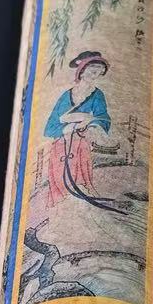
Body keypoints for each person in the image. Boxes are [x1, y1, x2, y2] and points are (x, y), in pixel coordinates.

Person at [43, 50, 111, 205]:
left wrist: (90, 123)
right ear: (82, 69)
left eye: (99, 69)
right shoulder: (65, 96)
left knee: (82, 186)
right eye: (92, 67)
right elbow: (49, 128)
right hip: (61, 148)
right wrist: (68, 127)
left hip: (81, 145)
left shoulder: (97, 95)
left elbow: (103, 118)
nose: (95, 72)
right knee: (61, 190)